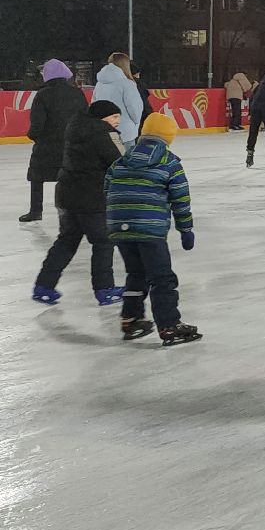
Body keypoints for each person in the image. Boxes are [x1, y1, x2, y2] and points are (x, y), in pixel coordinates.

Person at [105, 112, 201, 345]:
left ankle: (131, 320)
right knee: (161, 278)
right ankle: (169, 325)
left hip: (119, 228)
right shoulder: (169, 162)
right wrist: (185, 230)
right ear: (169, 137)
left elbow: (108, 190)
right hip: (149, 230)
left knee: (136, 274)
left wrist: (119, 219)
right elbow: (180, 199)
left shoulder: (121, 161)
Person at [30, 100, 126, 306]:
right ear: (103, 117)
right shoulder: (106, 134)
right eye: (114, 117)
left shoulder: (75, 129)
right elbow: (120, 162)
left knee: (67, 240)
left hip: (66, 194)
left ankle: (44, 286)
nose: (118, 121)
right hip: (92, 197)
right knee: (103, 241)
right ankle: (105, 289)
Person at [22, 59, 88, 222]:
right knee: (73, 177)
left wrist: (34, 136)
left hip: (47, 144)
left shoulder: (42, 95)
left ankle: (36, 211)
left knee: (37, 177)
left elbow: (37, 122)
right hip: (72, 143)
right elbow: (85, 117)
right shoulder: (77, 93)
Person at [93, 52, 144, 142]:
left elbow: (94, 106)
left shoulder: (99, 84)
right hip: (125, 132)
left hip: (103, 131)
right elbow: (134, 108)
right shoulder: (127, 84)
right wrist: (136, 123)